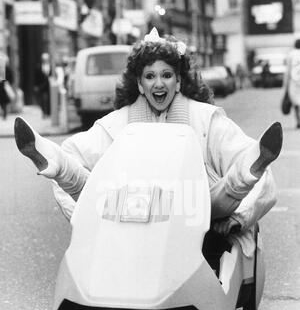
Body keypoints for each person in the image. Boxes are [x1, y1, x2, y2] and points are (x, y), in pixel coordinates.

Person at [13, 28, 282, 256]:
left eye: (166, 75)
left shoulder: (205, 119)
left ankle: (247, 172)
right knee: (85, 184)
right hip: (134, 217)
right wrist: (86, 220)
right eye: (150, 76)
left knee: (235, 184)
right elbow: (78, 149)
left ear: (178, 81)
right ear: (140, 84)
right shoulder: (120, 122)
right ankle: (57, 164)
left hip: (196, 215)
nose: (158, 84)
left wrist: (238, 218)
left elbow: (263, 179)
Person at [284, 38, 300, 128]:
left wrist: (285, 85)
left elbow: (288, 71)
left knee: (296, 103)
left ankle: (298, 121)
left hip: (294, 82)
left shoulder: (291, 55)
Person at [34, 52, 51, 118]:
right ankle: (44, 112)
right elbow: (36, 77)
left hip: (49, 87)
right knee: (42, 100)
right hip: (41, 86)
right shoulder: (39, 67)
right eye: (44, 59)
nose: (45, 60)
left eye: (46, 59)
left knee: (47, 100)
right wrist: (36, 85)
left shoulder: (51, 66)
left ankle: (47, 113)